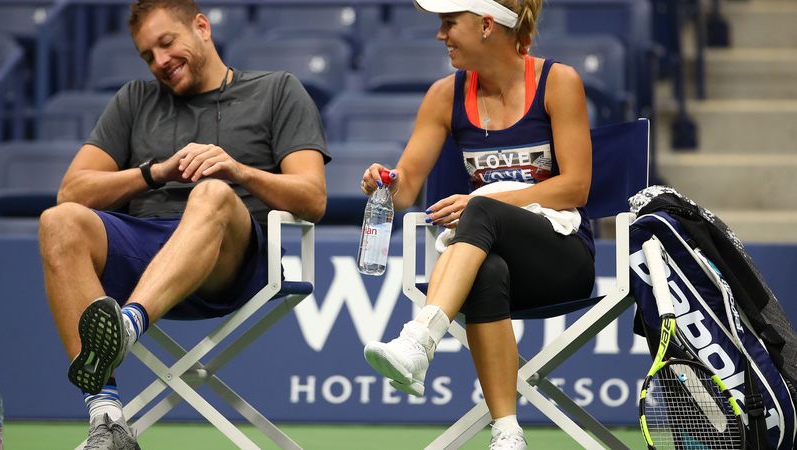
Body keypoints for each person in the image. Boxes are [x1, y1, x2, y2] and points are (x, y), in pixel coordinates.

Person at [37, 1, 329, 448]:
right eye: (147, 55)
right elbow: (70, 191)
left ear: (201, 27)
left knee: (210, 192)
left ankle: (125, 329)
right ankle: (107, 420)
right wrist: (155, 172)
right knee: (59, 221)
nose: (159, 62)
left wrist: (239, 171)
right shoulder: (135, 100)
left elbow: (313, 198)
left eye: (166, 43)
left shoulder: (277, 90)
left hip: (231, 261)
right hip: (147, 255)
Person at [361, 0, 594, 448]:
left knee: (482, 207)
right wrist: (384, 182)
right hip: (493, 261)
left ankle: (418, 341)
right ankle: (508, 433)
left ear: (486, 25)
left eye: (450, 23)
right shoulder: (444, 96)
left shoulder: (557, 83)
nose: (440, 35)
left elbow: (576, 188)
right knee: (486, 271)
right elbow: (406, 188)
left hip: (562, 257)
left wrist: (486, 198)